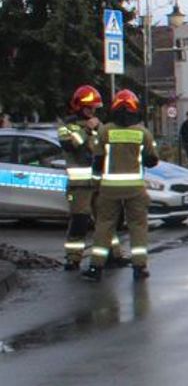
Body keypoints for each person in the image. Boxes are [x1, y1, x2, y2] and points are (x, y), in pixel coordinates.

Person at [82, 89, 159, 282]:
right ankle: (139, 268)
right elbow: (152, 161)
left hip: (109, 189)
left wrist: (95, 183)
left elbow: (97, 161)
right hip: (135, 189)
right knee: (138, 226)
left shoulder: (105, 130)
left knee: (104, 225)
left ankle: (95, 268)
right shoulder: (143, 133)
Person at [57, 84, 104, 270]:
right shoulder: (67, 127)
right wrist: (86, 131)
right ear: (79, 107)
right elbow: (70, 145)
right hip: (79, 186)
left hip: (99, 183)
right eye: (88, 108)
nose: (92, 111)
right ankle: (73, 257)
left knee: (106, 222)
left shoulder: (99, 126)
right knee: (79, 221)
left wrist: (98, 129)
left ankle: (111, 256)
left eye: (94, 108)